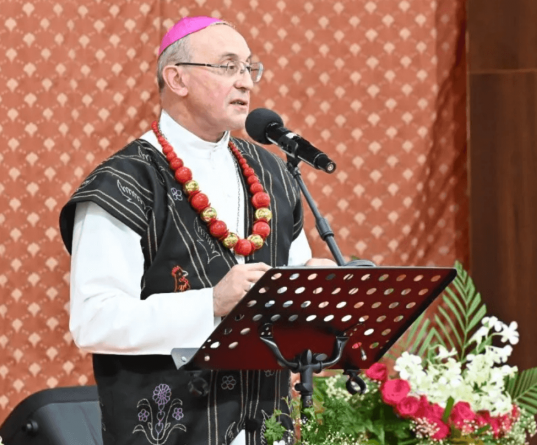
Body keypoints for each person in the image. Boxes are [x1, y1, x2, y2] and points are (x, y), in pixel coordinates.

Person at [58, 16, 334, 445]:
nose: (245, 81)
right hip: (172, 429)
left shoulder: (273, 172)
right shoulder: (124, 182)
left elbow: (288, 282)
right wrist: (210, 303)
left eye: (249, 67)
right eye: (227, 66)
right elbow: (94, 320)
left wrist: (312, 284)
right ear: (177, 78)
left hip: (269, 428)